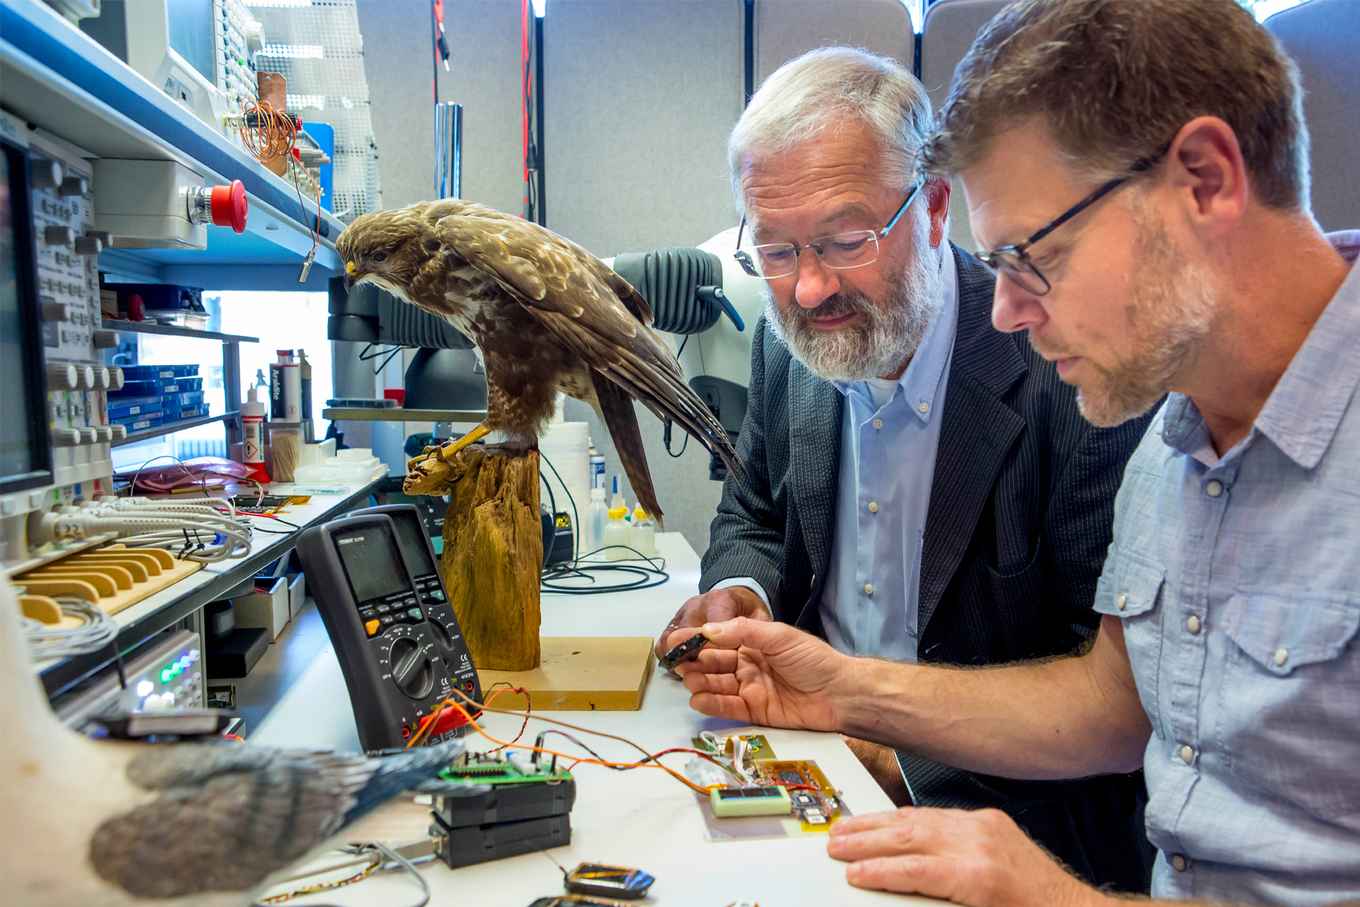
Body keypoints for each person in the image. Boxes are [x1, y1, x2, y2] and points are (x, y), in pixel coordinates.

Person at [675, 2, 1360, 906]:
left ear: (1203, 180)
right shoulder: (1177, 428)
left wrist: (1057, 897)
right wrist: (844, 691)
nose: (1004, 312)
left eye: (1034, 256)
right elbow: (1115, 706)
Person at [658, 47, 1153, 890]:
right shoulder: (786, 350)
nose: (810, 289)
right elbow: (754, 513)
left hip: (995, 826)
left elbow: (1110, 700)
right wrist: (743, 595)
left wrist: (899, 757)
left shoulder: (1066, 372)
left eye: (844, 241)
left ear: (931, 208)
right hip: (804, 760)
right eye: (775, 251)